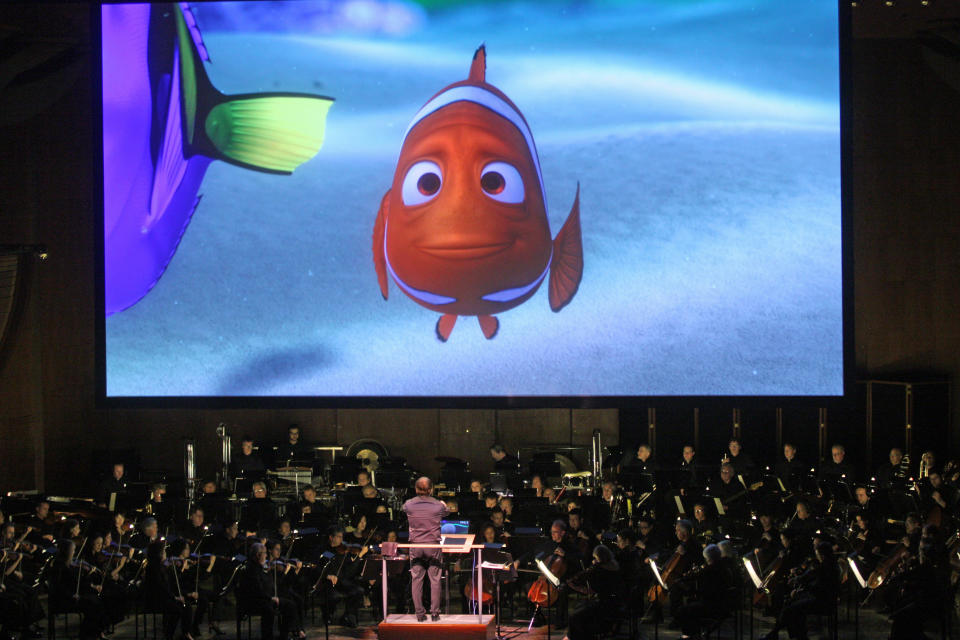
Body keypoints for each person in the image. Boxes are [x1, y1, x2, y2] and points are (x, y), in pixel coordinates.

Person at [403, 477, 449, 622]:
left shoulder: (409, 504)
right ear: (431, 490)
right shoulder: (438, 505)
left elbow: (404, 510)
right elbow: (447, 512)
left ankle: (420, 615)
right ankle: (434, 614)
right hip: (432, 546)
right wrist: (443, 503)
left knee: (417, 579)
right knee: (435, 580)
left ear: (416, 489)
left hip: (416, 546)